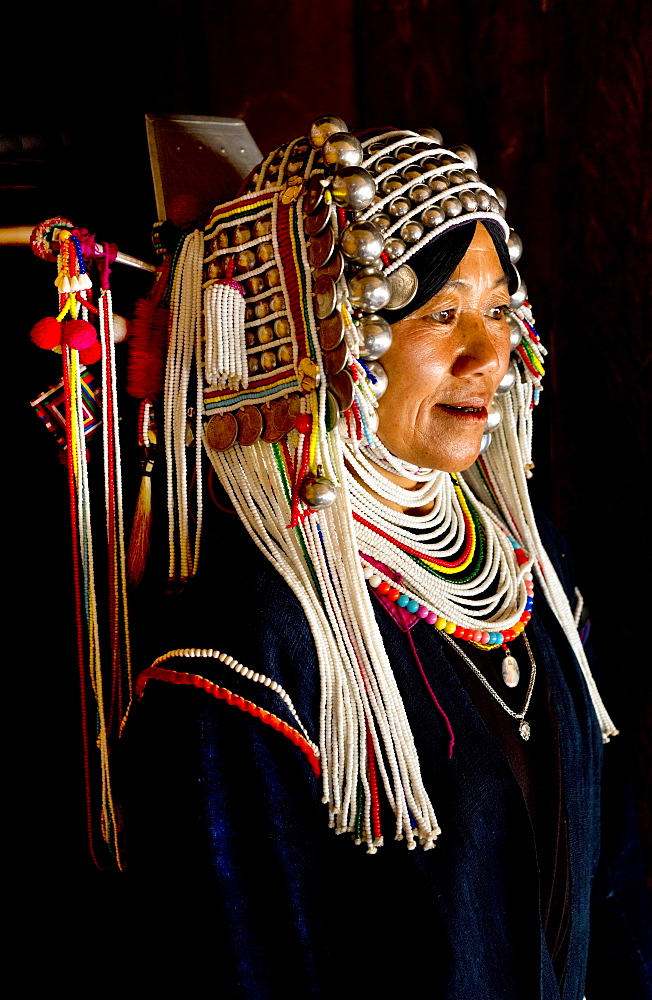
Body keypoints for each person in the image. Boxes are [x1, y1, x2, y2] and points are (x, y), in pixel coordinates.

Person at [122, 117, 651, 998]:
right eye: (442, 315)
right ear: (326, 343)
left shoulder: (531, 570)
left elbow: (616, 891)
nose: (487, 356)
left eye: (496, 311)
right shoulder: (257, 650)